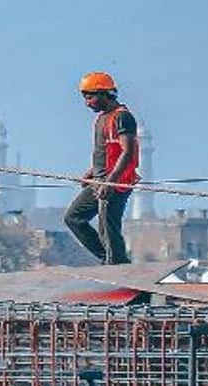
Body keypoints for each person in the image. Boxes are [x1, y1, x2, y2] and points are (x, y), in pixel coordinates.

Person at [64, 72, 140, 265]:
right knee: (74, 217)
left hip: (116, 182)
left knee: (108, 227)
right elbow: (108, 152)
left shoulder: (122, 117)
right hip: (101, 180)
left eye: (90, 97)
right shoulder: (102, 119)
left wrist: (110, 181)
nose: (87, 103)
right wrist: (92, 171)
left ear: (104, 94)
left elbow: (128, 152)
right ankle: (107, 260)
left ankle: (118, 267)